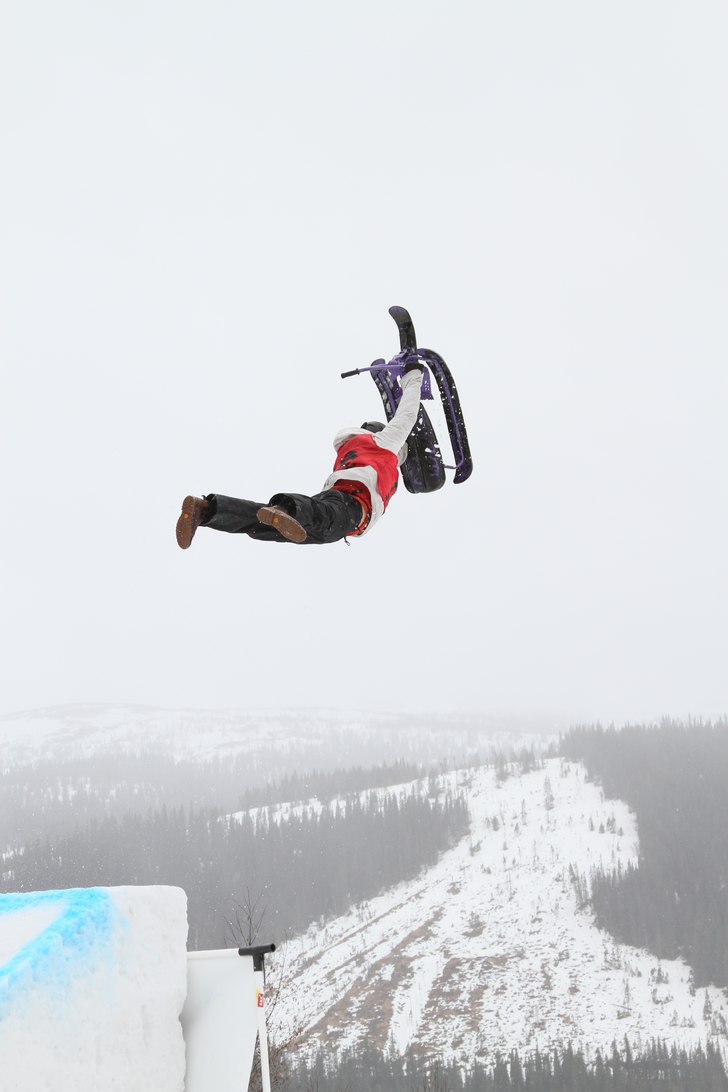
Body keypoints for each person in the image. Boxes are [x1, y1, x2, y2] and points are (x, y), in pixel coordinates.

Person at [176, 358, 424, 548]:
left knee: (267, 525)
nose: (399, 455)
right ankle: (283, 510)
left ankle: (208, 510)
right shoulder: (382, 443)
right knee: (321, 517)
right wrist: (414, 375)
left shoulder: (351, 447)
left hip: (337, 502)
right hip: (351, 507)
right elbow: (407, 416)